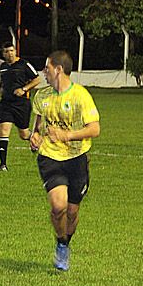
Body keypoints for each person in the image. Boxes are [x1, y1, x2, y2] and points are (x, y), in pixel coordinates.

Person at [30, 50, 100, 271]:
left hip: (77, 159)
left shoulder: (80, 95)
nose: (44, 72)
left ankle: (65, 242)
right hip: (50, 156)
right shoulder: (41, 96)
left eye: (47, 68)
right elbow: (38, 125)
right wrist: (35, 137)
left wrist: (67, 135)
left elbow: (95, 129)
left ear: (58, 69)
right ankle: (61, 244)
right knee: (58, 206)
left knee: (72, 212)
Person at [0, 42, 41, 171]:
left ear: (15, 51)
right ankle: (3, 165)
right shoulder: (2, 66)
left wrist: (24, 89)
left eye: (12, 50)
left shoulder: (24, 64)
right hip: (6, 104)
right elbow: (4, 82)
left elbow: (37, 79)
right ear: (3, 54)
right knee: (3, 131)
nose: (10, 53)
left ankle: (38, 141)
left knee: (24, 134)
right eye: (7, 51)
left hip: (21, 104)